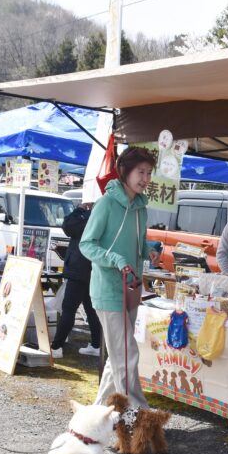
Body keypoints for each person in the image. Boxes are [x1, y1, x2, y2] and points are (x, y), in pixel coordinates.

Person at [80, 146, 156, 409]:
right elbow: (86, 244)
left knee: (118, 356)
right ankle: (137, 413)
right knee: (126, 353)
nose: (145, 178)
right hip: (107, 289)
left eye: (149, 173)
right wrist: (115, 259)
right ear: (125, 171)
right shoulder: (106, 203)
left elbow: (138, 242)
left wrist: (149, 251)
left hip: (131, 288)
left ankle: (97, 415)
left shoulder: (140, 207)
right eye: (140, 172)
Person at [50, 200, 102, 359]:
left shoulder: (88, 217)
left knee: (69, 309)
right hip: (93, 268)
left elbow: (67, 226)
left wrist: (79, 209)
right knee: (91, 309)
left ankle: (56, 347)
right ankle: (96, 345)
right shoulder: (104, 218)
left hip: (79, 268)